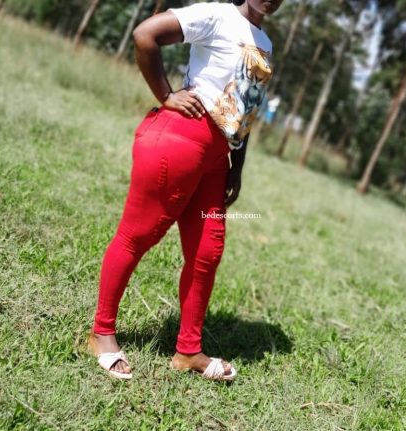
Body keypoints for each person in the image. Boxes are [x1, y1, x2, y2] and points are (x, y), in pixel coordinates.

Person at [88, 0, 283, 381]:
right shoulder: (217, 15)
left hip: (216, 159)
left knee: (207, 251)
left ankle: (188, 351)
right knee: (138, 236)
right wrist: (166, 95)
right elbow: (145, 35)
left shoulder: (265, 43)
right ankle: (102, 333)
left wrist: (236, 166)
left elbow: (246, 106)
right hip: (180, 142)